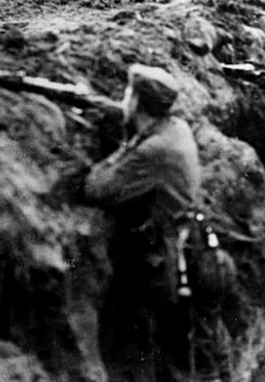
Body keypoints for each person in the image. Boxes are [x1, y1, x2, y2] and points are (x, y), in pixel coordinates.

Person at [83, 65, 226, 382]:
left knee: (173, 356)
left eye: (128, 94)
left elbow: (96, 188)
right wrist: (114, 112)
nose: (124, 98)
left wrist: (122, 148)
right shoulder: (177, 128)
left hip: (173, 267)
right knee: (206, 348)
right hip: (201, 250)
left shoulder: (154, 150)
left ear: (137, 102)